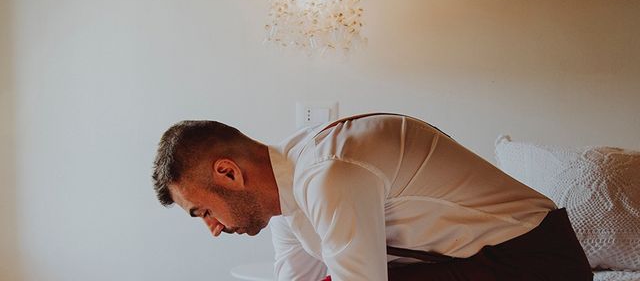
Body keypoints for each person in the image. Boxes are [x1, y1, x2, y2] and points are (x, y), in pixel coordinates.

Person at [152, 113, 593, 281]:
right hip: (470, 265)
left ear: (228, 173)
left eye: (203, 211)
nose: (212, 228)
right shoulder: (286, 202)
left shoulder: (329, 172)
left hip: (537, 261)